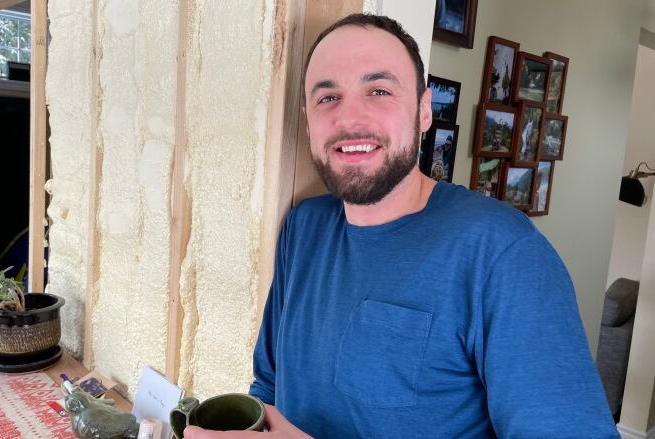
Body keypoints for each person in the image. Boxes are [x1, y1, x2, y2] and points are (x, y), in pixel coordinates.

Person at [185, 13, 618, 439]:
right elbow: (269, 392)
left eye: (378, 90)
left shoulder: (504, 255)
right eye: (327, 97)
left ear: (424, 110)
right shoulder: (303, 228)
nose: (350, 119)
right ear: (307, 116)